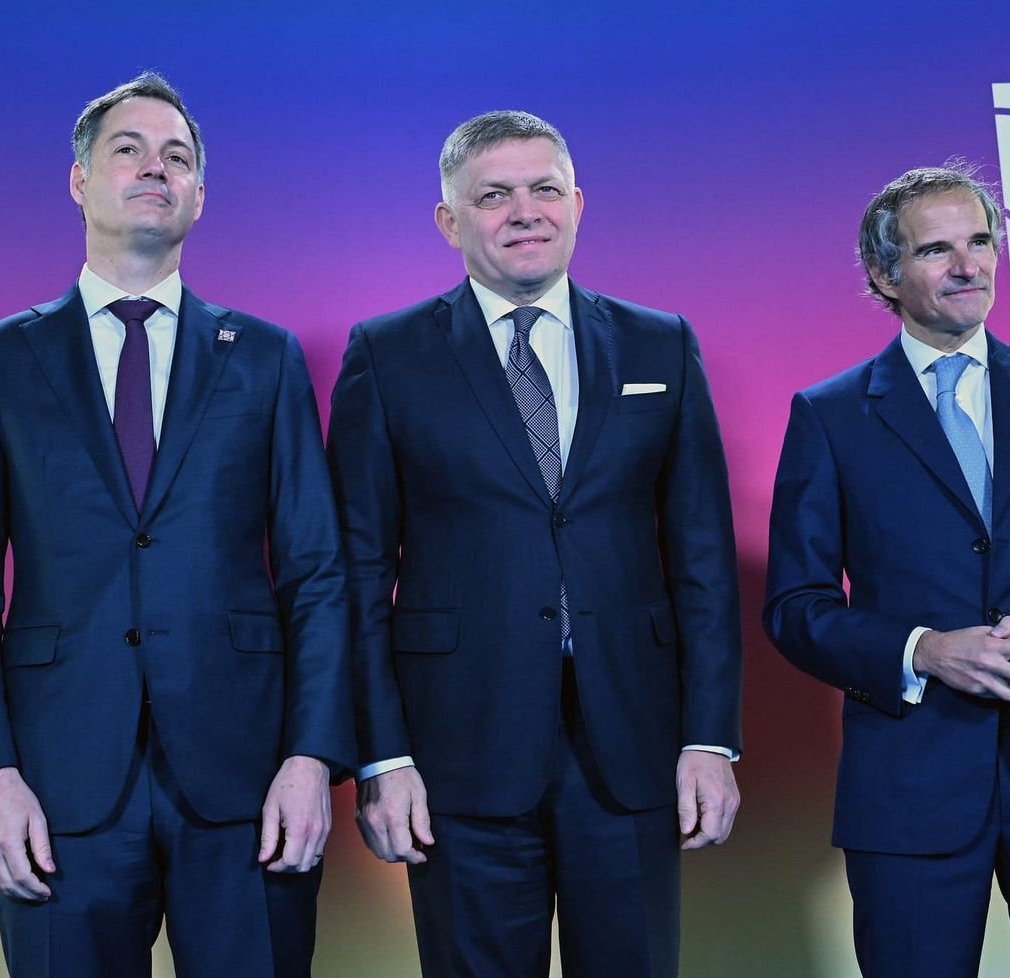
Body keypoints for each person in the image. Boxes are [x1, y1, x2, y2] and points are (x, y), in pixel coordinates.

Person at [0, 72, 352, 978]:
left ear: (200, 193)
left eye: (178, 156)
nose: (155, 168)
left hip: (246, 785)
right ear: (80, 181)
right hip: (53, 784)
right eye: (129, 149)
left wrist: (312, 756)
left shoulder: (266, 358)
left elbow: (316, 572)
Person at [326, 110, 742, 978]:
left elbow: (701, 562)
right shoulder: (386, 355)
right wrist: (383, 754)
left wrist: (711, 738)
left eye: (545, 189)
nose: (525, 211)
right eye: (494, 196)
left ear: (578, 205)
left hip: (630, 749)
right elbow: (357, 576)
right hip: (456, 756)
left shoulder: (659, 342)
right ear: (449, 221)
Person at [763, 163, 1010, 978]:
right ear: (885, 273)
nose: (968, 266)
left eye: (980, 242)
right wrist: (925, 650)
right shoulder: (832, 415)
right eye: (937, 249)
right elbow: (796, 606)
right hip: (911, 789)